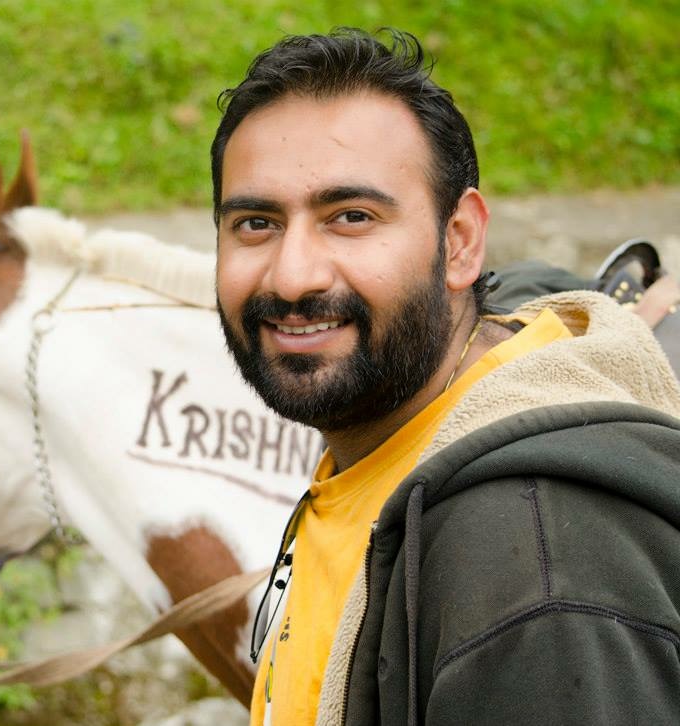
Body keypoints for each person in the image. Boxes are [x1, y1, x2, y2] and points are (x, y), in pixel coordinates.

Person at [211, 27, 680, 726]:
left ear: (459, 242)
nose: (292, 275)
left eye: (351, 217)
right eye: (255, 223)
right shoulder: (386, 415)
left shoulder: (528, 574)